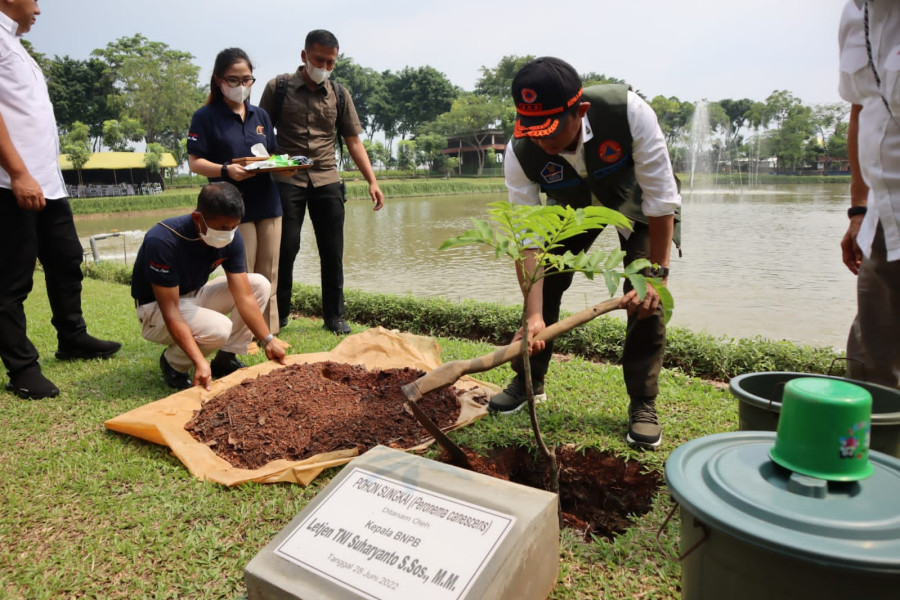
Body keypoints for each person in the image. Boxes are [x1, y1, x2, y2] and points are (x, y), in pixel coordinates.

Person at [490, 57, 681, 449]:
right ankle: (530, 381)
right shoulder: (519, 151)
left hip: (635, 199)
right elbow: (528, 237)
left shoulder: (629, 112)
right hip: (570, 206)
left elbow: (662, 201)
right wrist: (533, 315)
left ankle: (642, 402)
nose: (542, 143)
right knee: (548, 275)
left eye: (551, 130)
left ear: (580, 111)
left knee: (643, 291)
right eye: (533, 131)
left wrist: (658, 275)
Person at [0, 0, 121, 400]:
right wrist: (18, 173)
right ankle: (22, 368)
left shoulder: (14, 43)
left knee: (67, 261)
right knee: (13, 280)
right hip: (12, 183)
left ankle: (73, 338)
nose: (39, 8)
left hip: (47, 182)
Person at [259, 29, 384, 336]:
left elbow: (353, 140)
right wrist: (270, 167)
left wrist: (372, 180)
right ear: (304, 56)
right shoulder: (279, 88)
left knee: (332, 250)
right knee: (286, 248)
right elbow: (259, 134)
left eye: (331, 61)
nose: (325, 66)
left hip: (327, 179)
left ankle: (335, 316)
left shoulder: (339, 95)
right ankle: (281, 312)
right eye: (319, 59)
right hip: (287, 181)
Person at [131, 182, 286, 391]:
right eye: (223, 227)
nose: (229, 233)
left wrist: (267, 340)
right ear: (198, 218)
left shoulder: (231, 237)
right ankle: (175, 364)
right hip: (156, 311)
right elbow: (171, 312)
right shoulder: (163, 240)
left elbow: (245, 296)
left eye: (234, 226)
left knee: (259, 284)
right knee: (219, 328)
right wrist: (199, 362)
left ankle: (226, 358)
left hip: (194, 296)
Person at [187, 48, 283, 335]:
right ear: (219, 80)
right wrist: (226, 170)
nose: (241, 86)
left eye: (247, 80)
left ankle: (270, 330)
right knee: (245, 274)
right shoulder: (205, 116)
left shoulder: (260, 115)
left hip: (267, 201)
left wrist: (285, 166)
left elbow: (273, 156)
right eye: (234, 79)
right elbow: (195, 162)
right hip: (230, 207)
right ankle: (245, 333)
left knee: (270, 272)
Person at [838, 0, 900, 389]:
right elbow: (861, 110)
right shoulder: (854, 14)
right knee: (873, 350)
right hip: (884, 211)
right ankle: (872, 448)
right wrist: (858, 209)